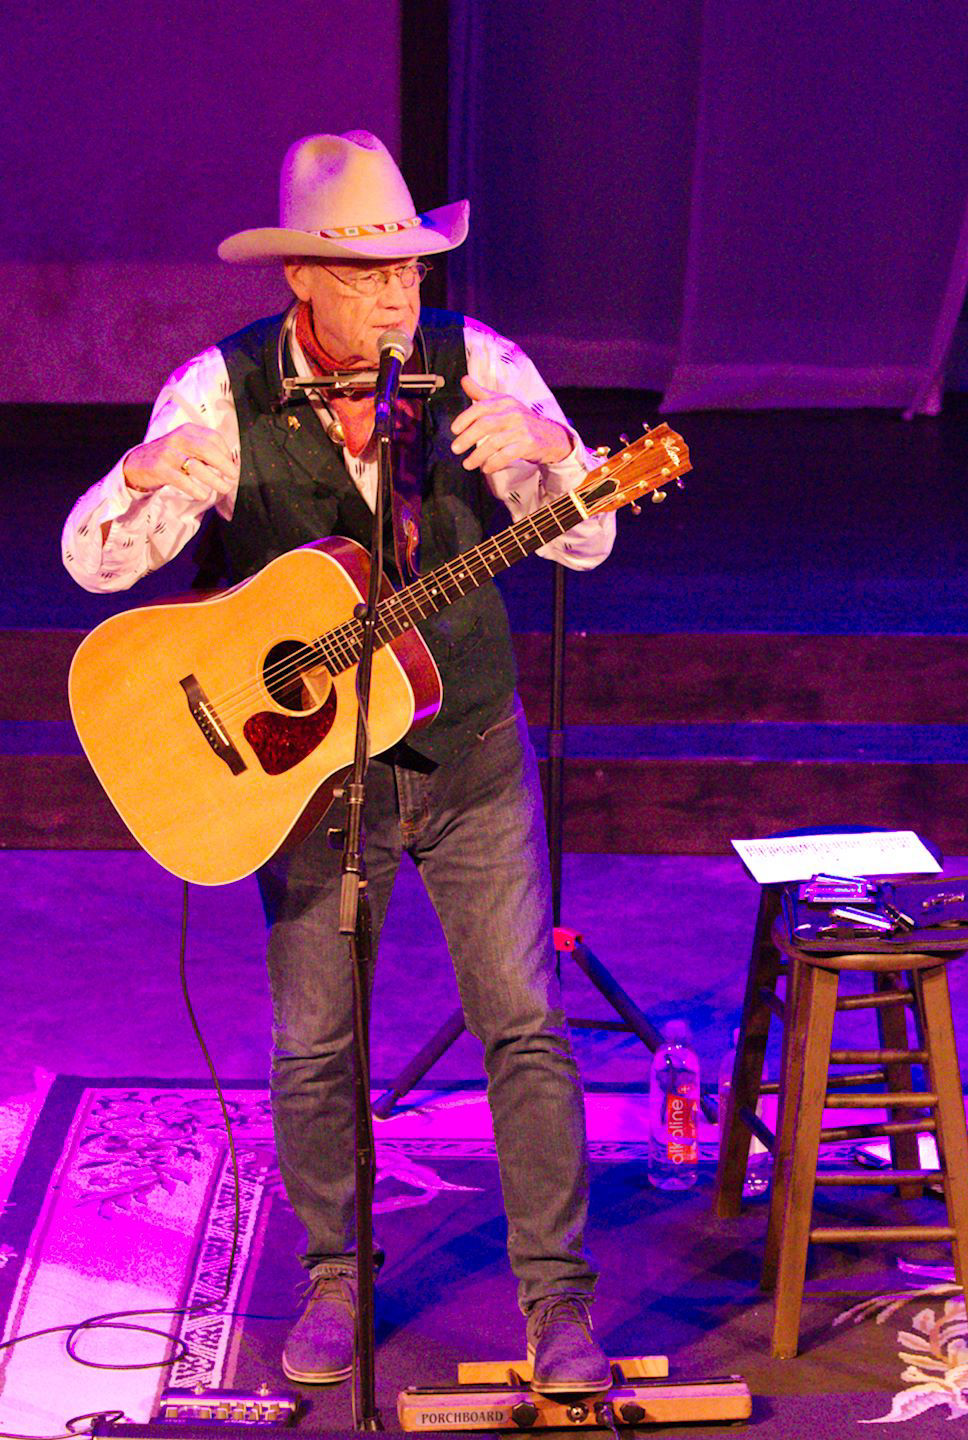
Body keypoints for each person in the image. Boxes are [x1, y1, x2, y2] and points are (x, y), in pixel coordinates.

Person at [63, 131, 617, 1390]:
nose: (398, 301)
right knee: (315, 1041)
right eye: (370, 278)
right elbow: (100, 569)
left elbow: (585, 551)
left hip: (470, 749)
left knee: (524, 1023)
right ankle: (332, 1277)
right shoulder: (220, 390)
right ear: (301, 281)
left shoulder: (485, 367)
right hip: (307, 777)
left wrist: (554, 462)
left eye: (412, 273)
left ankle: (560, 1305)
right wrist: (142, 477)